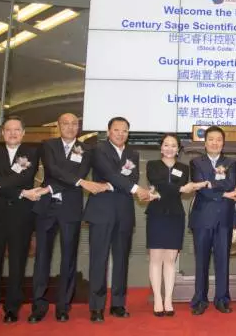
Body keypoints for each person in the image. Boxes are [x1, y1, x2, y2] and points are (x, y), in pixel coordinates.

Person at [28, 113, 109, 324]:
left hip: (70, 209)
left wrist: (52, 187)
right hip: (46, 209)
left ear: (78, 127)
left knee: (68, 259)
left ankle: (63, 306)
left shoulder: (87, 149)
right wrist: (80, 182)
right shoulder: (48, 145)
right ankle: (38, 306)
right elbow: (53, 170)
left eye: (74, 124)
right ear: (58, 126)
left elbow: (79, 172)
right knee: (41, 258)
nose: (70, 127)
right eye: (66, 123)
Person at [83, 116, 154, 323]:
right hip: (101, 212)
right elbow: (110, 173)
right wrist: (133, 188)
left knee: (121, 259)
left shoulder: (133, 154)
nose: (120, 134)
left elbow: (131, 178)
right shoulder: (98, 150)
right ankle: (96, 307)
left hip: (124, 212)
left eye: (124, 131)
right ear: (108, 131)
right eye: (116, 130)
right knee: (99, 260)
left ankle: (118, 304)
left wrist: (110, 185)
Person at [0, 116, 41, 325]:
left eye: (17, 130)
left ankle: (12, 308)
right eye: (8, 130)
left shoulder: (31, 153)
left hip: (21, 217)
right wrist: (21, 192)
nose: (13, 133)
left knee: (17, 264)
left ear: (23, 133)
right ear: (3, 133)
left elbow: (25, 177)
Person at [146, 134, 208, 317]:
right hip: (156, 214)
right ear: (161, 148)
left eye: (173, 145)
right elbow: (159, 184)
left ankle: (168, 300)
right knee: (156, 258)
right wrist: (180, 188)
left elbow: (169, 188)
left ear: (178, 149)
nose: (169, 148)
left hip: (175, 215)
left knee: (170, 260)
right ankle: (158, 299)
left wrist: (174, 188)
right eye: (166, 145)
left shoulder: (183, 168)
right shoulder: (152, 165)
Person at [189, 126, 236, 315]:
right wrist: (222, 193)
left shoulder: (231, 163)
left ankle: (222, 299)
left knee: (223, 260)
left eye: (218, 140)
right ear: (205, 142)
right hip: (202, 218)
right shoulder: (196, 162)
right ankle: (200, 300)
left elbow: (230, 183)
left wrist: (211, 183)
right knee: (201, 261)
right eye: (211, 139)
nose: (215, 143)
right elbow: (201, 188)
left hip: (225, 217)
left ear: (223, 143)